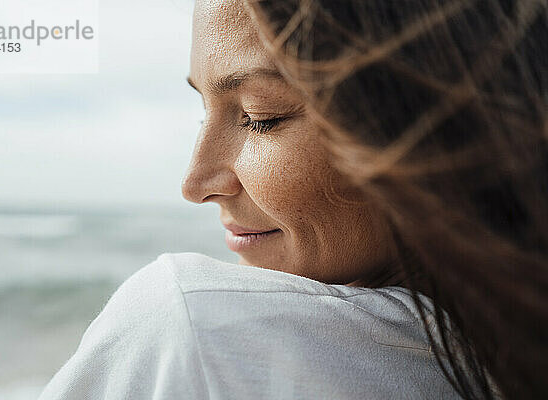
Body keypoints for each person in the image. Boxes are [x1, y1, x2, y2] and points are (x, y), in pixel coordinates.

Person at [39, 0, 547, 399]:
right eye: (202, 111)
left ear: (433, 123)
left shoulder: (198, 328)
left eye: (261, 116)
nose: (195, 183)